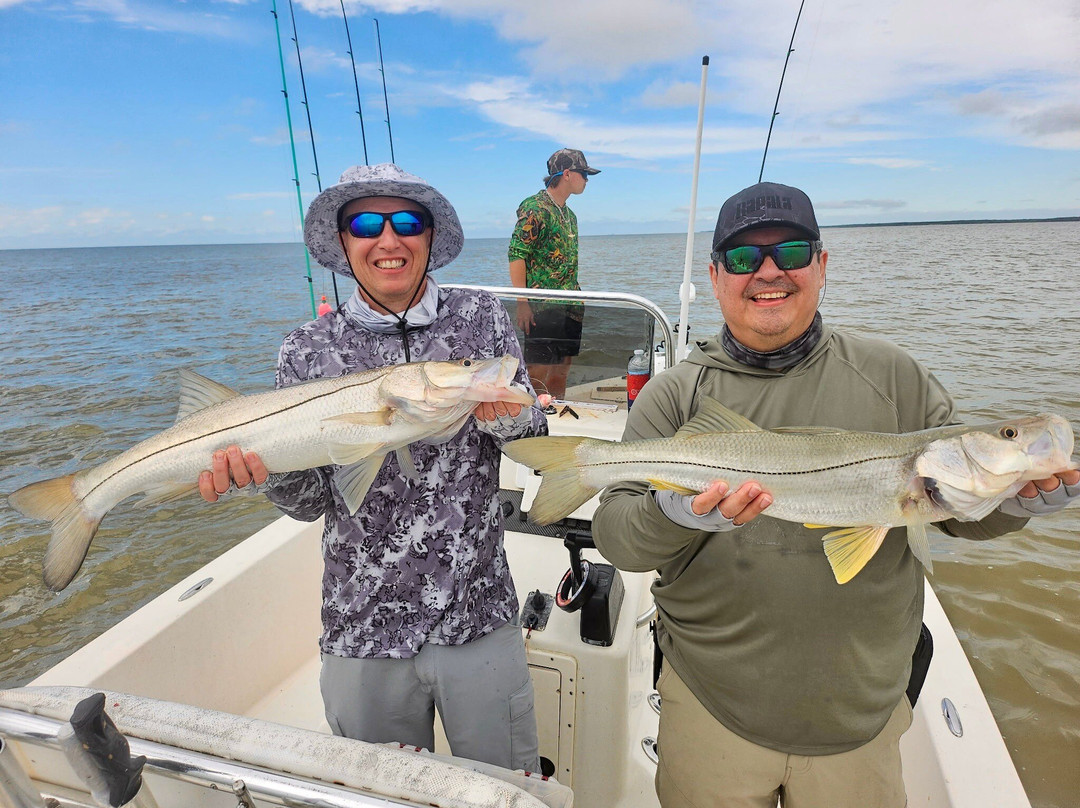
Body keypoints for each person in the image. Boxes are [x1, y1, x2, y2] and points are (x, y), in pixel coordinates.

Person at [591, 181, 1080, 807]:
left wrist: (1013, 503)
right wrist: (675, 513)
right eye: (743, 259)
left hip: (858, 712)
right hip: (711, 702)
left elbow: (961, 518)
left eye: (791, 252)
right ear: (715, 278)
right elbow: (618, 538)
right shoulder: (674, 397)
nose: (768, 272)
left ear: (822, 265)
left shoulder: (894, 376)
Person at [196, 163, 547, 773]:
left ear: (431, 237)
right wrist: (262, 471)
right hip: (363, 625)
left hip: (479, 611)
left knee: (502, 791)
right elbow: (309, 502)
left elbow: (532, 436)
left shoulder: (482, 318)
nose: (389, 239)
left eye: (408, 221)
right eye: (366, 223)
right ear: (343, 242)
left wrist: (502, 416)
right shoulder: (307, 348)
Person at [508, 148, 599, 399]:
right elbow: (517, 254)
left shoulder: (570, 215)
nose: (587, 180)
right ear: (567, 174)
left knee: (561, 370)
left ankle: (556, 419)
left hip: (571, 306)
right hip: (542, 308)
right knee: (537, 372)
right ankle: (536, 423)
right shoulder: (535, 207)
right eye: (584, 173)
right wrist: (522, 302)